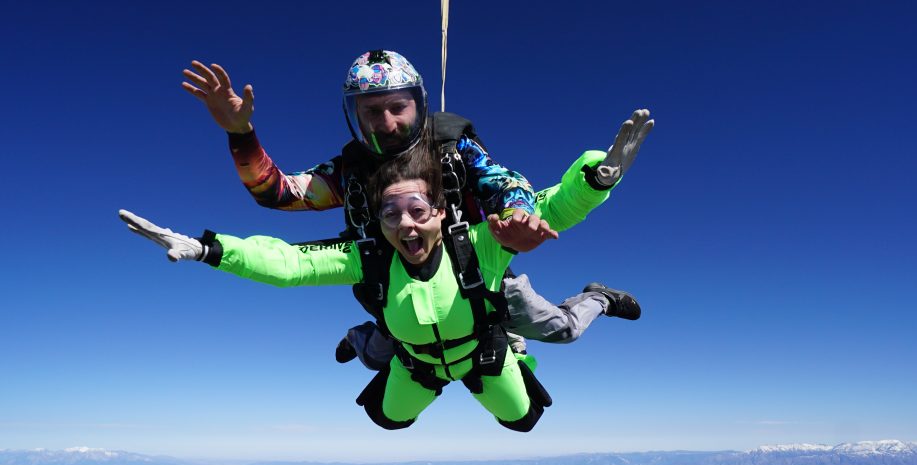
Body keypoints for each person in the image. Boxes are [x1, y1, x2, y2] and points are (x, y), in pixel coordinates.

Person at [119, 126, 636, 432]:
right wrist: (210, 249)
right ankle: (362, 339)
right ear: (377, 220)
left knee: (524, 417)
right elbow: (289, 265)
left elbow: (550, 207)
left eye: (417, 210)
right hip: (419, 362)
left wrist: (596, 176)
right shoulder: (369, 257)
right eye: (391, 214)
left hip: (483, 353)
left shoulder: (479, 242)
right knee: (388, 418)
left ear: (441, 212)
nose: (405, 224)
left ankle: (596, 300)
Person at [181, 51, 648, 370]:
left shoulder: (451, 150)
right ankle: (359, 336)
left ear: (418, 105)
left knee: (563, 331)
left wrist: (516, 218)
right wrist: (241, 133)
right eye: (371, 113)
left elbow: (505, 185)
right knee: (389, 352)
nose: (386, 123)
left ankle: (599, 297)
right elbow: (277, 193)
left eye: (397, 107)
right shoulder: (351, 171)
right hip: (395, 286)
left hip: (477, 277)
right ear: (355, 116)